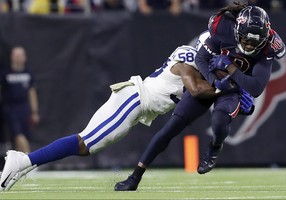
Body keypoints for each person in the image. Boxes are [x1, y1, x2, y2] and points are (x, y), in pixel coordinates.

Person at [0, 40, 226, 191]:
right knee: (84, 144)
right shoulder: (189, 59)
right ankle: (22, 160)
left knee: (84, 143)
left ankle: (22, 164)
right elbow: (196, 90)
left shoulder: (198, 64)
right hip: (134, 99)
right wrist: (227, 87)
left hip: (136, 104)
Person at [114, 2, 286, 191]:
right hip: (210, 80)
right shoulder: (223, 27)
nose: (249, 45)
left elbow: (255, 88)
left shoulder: (270, 45)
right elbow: (201, 59)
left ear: (265, 37)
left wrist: (229, 67)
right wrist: (214, 82)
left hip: (234, 88)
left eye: (255, 42)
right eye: (246, 39)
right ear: (236, 30)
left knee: (220, 120)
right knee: (173, 125)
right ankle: (135, 177)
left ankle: (215, 146)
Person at [0, 46, 40, 153]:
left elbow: (32, 93)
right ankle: (30, 159)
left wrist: (34, 112)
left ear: (25, 57)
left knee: (22, 136)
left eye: (20, 55)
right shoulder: (5, 73)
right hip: (10, 108)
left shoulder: (28, 73)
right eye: (16, 55)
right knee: (18, 134)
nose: (18, 58)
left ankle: (20, 163)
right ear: (11, 57)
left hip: (24, 108)